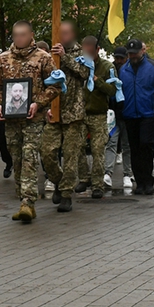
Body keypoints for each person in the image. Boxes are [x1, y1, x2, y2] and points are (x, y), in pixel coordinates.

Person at [0, 20, 59, 223]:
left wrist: (38, 103)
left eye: (22, 35)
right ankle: (23, 196)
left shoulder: (43, 58)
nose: (19, 39)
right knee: (17, 158)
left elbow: (55, 86)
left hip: (34, 119)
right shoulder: (2, 59)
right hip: (11, 120)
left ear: (31, 35)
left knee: (29, 155)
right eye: (15, 35)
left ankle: (28, 203)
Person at [41, 21, 92, 213]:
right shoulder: (50, 54)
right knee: (46, 152)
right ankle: (58, 181)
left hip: (75, 114)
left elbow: (84, 73)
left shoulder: (82, 54)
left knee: (70, 157)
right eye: (60, 33)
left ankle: (66, 195)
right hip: (54, 113)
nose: (63, 36)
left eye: (66, 33)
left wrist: (65, 58)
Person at [118, 39, 154, 195]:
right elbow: (119, 92)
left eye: (135, 53)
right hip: (130, 114)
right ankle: (139, 182)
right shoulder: (124, 70)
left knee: (146, 145)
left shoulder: (153, 68)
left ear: (143, 51)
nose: (133, 56)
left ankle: (148, 180)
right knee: (134, 149)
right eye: (130, 53)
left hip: (147, 114)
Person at [76, 35, 116, 198]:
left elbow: (113, 90)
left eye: (90, 52)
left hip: (98, 114)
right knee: (77, 146)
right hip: (80, 113)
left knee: (98, 150)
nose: (87, 54)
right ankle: (84, 178)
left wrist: (98, 81)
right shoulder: (79, 65)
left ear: (97, 50)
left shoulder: (107, 67)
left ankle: (98, 184)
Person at [105, 46, 133, 189]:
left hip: (127, 114)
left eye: (121, 58)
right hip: (113, 114)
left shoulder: (129, 71)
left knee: (127, 145)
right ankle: (107, 173)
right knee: (111, 143)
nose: (119, 60)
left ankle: (127, 174)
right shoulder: (110, 71)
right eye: (117, 58)